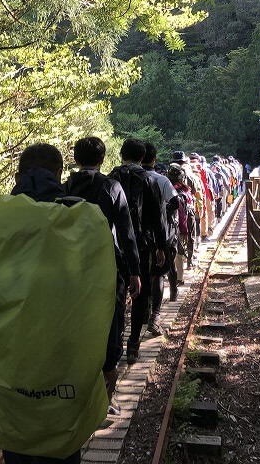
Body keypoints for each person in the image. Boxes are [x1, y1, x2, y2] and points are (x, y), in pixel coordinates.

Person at [0, 143, 117, 464]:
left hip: (8, 372)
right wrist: (110, 360)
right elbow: (105, 297)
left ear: (17, 175)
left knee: (16, 449)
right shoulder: (85, 223)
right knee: (65, 447)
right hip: (69, 370)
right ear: (59, 175)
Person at [65, 136, 141, 388]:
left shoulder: (64, 188)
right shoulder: (111, 187)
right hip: (105, 266)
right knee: (111, 320)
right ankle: (108, 380)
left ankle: (81, 380)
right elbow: (126, 233)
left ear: (75, 160)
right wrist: (134, 271)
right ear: (102, 159)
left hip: (69, 267)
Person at [109, 138, 167, 364]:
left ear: (121, 154)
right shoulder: (148, 179)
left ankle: (114, 344)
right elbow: (157, 217)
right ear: (143, 158)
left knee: (116, 292)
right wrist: (161, 246)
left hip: (112, 246)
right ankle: (133, 343)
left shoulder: (110, 178)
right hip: (141, 244)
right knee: (139, 291)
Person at [142, 142, 180, 334]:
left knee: (141, 272)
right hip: (159, 233)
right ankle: (155, 316)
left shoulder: (127, 178)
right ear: (154, 158)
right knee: (158, 272)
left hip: (135, 234)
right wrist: (161, 212)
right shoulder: (161, 180)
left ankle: (142, 313)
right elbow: (175, 202)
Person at [167, 163, 190, 284]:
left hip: (164, 226)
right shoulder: (181, 192)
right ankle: (179, 278)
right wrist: (185, 230)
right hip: (177, 227)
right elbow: (182, 215)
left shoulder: (165, 188)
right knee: (178, 254)